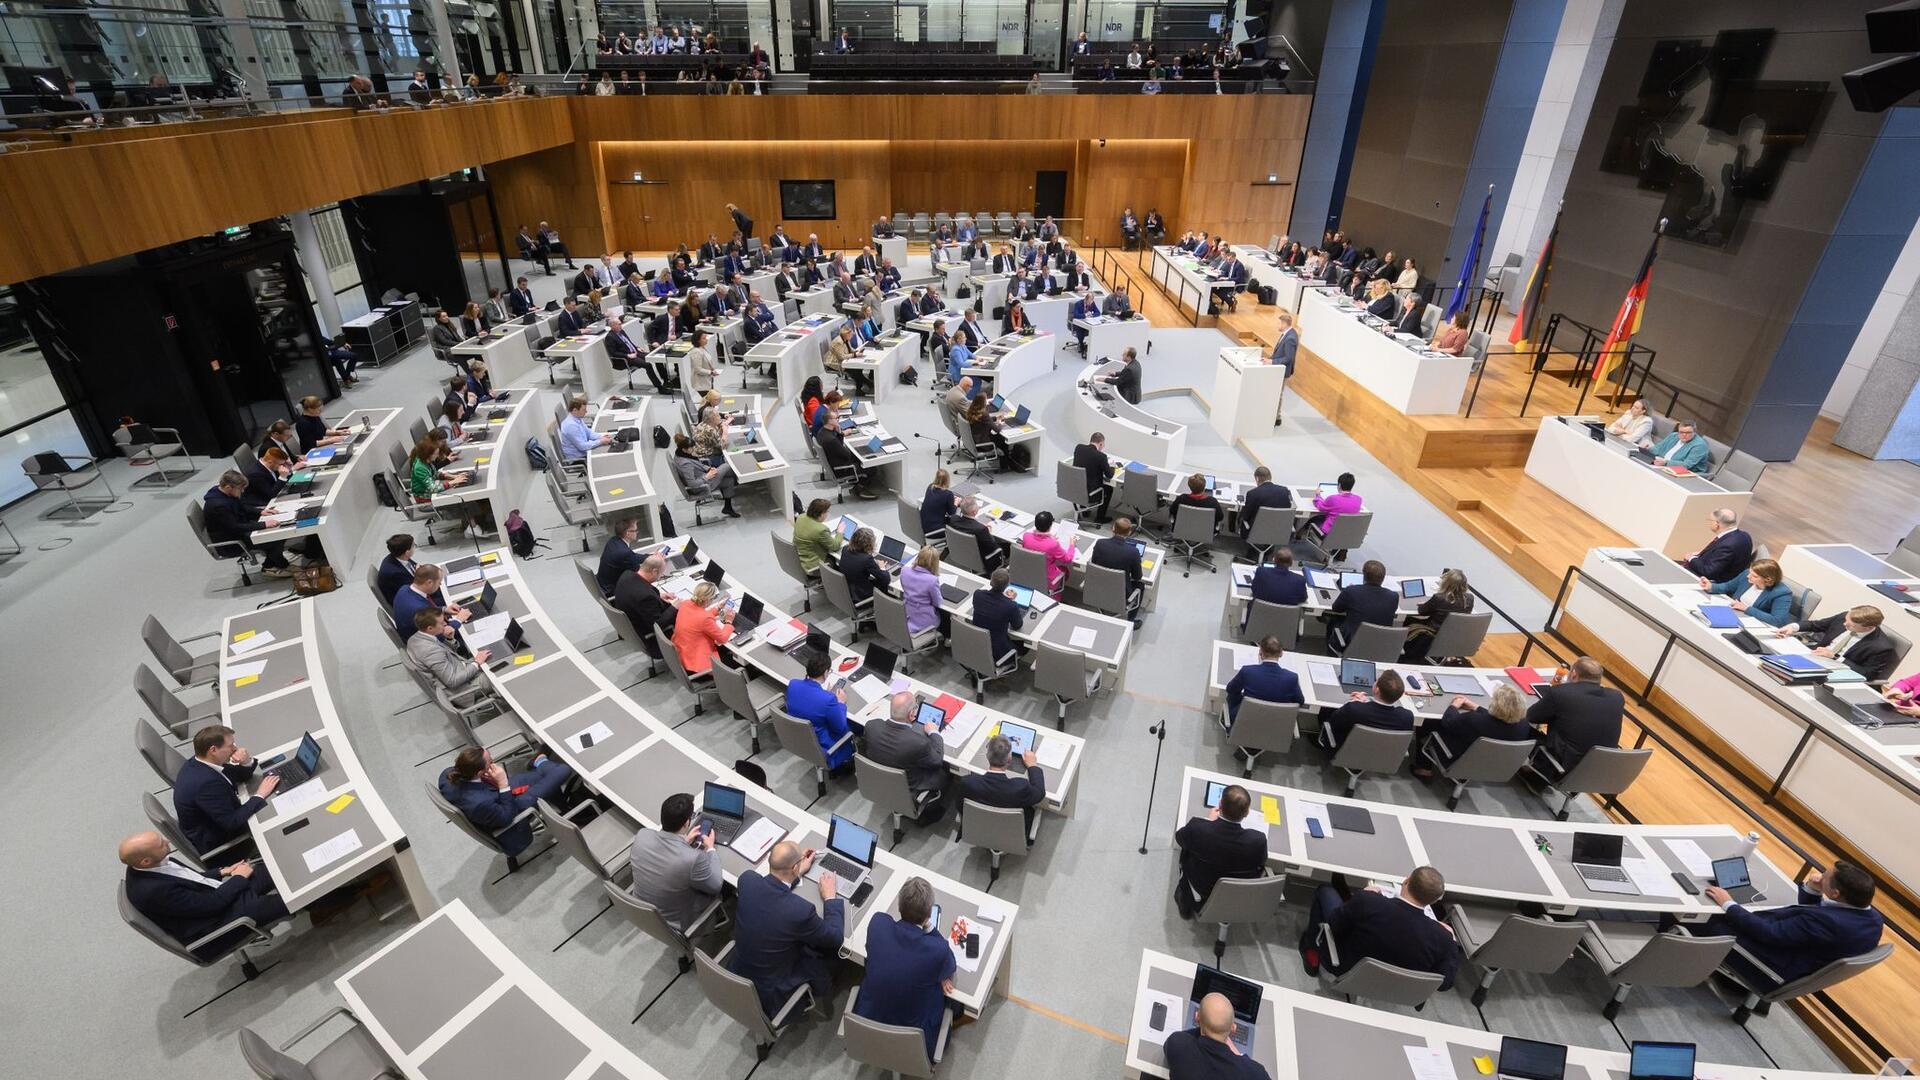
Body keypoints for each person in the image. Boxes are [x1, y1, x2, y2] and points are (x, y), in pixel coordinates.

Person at [1704, 861, 1884, 992]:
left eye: (1825, 877)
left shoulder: (1829, 923)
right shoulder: (1874, 920)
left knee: (1707, 919)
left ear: (1835, 893)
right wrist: (1814, 890)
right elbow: (1816, 925)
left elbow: (1769, 933)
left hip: (1767, 967)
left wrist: (1729, 904)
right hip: (1793, 956)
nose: (1820, 877)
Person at [118, 830, 289, 960]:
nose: (168, 841)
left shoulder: (149, 863)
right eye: (162, 843)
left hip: (214, 900)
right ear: (145, 861)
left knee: (271, 868)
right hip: (216, 925)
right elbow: (211, 905)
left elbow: (189, 879)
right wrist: (239, 877)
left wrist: (224, 871)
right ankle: (314, 907)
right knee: (287, 901)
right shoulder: (153, 891)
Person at [730, 839, 844, 1015]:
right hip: (772, 992)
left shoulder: (747, 880)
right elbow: (835, 937)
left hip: (738, 974)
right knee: (831, 953)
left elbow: (771, 891)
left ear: (769, 858)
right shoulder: (800, 911)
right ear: (794, 867)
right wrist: (830, 898)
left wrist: (796, 873)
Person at [1298, 866, 1459, 989]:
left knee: (1326, 892)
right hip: (1395, 988)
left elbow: (1335, 925)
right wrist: (1451, 940)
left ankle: (1311, 951)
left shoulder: (1369, 902)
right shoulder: (1443, 939)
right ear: (1435, 900)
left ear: (1406, 880)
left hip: (1345, 967)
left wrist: (1361, 898)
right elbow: (1444, 984)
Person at [854, 876, 956, 1060]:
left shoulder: (878, 923)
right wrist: (929, 927)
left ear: (899, 906)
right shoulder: (937, 950)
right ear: (927, 915)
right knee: (952, 1004)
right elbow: (950, 963)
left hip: (868, 1027)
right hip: (917, 1044)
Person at [438, 746, 574, 858]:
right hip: (513, 810)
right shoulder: (479, 803)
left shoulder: (448, 774)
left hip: (493, 793)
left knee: (550, 776)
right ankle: (541, 762)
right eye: (490, 762)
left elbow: (481, 791)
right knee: (563, 770)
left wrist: (490, 781)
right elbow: (506, 817)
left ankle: (542, 765)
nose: (493, 763)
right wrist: (502, 783)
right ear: (479, 772)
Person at [173, 724, 277, 855]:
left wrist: (245, 762)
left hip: (219, 819)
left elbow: (239, 776)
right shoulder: (205, 784)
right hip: (224, 844)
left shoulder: (201, 762)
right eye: (231, 745)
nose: (235, 749)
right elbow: (231, 822)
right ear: (213, 750)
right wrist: (260, 795)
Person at [628, 792, 724, 933]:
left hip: (648, 911)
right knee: (724, 891)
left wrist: (683, 842)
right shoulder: (692, 858)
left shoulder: (642, 835)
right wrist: (710, 849)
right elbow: (716, 885)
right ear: (687, 822)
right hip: (677, 921)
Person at [1171, 782, 1268, 920]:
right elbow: (1261, 862)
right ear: (1246, 813)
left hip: (1202, 888)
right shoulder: (1258, 840)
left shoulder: (1198, 828)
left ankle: (1185, 899)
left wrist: (1208, 821)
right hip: (1237, 894)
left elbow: (1180, 838)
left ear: (1220, 805)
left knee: (1188, 849)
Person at [1527, 656, 1624, 777]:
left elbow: (1531, 716)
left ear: (1573, 674)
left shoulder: (1560, 693)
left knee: (1521, 726)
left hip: (1562, 768)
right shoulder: (1617, 697)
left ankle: (1534, 775)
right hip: (1596, 771)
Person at [1414, 683, 1533, 778]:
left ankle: (1424, 768)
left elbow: (1447, 721)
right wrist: (1475, 707)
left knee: (1430, 722)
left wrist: (1454, 706)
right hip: (1492, 765)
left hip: (1456, 759)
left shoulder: (1474, 720)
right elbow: (1498, 720)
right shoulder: (1524, 725)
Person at [866, 692, 950, 823]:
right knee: (944, 771)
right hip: (910, 786)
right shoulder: (918, 743)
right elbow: (937, 760)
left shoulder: (872, 726)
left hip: (879, 781)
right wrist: (934, 733)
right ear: (912, 714)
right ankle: (930, 811)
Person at [203, 470, 293, 577]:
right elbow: (235, 527)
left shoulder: (222, 492)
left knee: (277, 531)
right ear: (228, 487)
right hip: (232, 540)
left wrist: (261, 512)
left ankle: (275, 563)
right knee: (274, 537)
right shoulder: (218, 506)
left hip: (239, 528)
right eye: (240, 489)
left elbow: (243, 507)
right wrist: (264, 525)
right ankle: (272, 566)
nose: (242, 491)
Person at [1777, 604, 1898, 683]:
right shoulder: (1844, 617)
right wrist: (1793, 627)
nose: (1845, 625)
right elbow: (1816, 625)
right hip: (1814, 656)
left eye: (1851, 625)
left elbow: (1867, 673)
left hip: (1836, 672)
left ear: (1868, 628)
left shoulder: (1881, 647)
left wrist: (1835, 657)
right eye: (1846, 620)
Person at [1165, 992, 1272, 1079]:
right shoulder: (1256, 1073)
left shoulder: (1179, 1045)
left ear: (1197, 1017)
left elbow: (1183, 1039)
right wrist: (1239, 1056)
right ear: (1233, 1028)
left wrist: (1204, 1022)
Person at [787, 649, 854, 769]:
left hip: (799, 739)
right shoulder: (828, 700)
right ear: (825, 672)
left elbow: (808, 701)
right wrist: (841, 703)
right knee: (855, 725)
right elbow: (840, 728)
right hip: (825, 748)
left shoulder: (793, 684)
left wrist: (824, 694)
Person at [1321, 669, 1414, 751]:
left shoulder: (1354, 709)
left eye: (1376, 681)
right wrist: (1365, 703)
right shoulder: (1407, 717)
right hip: (1382, 756)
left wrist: (1353, 703)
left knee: (1325, 711)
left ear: (1377, 689)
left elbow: (1333, 721)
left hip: (1347, 752)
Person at [1224, 636, 1305, 726]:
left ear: (1260, 652)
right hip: (1276, 724)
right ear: (1281, 653)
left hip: (1246, 721)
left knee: (1232, 697)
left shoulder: (1247, 671)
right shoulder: (1292, 678)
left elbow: (1230, 689)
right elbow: (1300, 701)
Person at [1401, 568, 1474, 662]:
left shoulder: (1439, 598)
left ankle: (1405, 651)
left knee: (1409, 619)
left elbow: (1422, 612)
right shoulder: (1469, 599)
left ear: (1446, 583)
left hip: (1433, 631)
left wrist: (1424, 604)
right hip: (1454, 633)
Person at [407, 608, 488, 691]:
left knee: (489, 655)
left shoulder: (415, 638)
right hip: (465, 687)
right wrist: (477, 663)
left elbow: (444, 654)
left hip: (460, 667)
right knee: (496, 673)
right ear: (430, 628)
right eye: (442, 623)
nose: (445, 624)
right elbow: (453, 681)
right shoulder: (430, 651)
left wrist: (449, 639)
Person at [1327, 559, 1397, 653]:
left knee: (1333, 621)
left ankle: (1331, 655)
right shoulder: (1393, 596)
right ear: (1383, 578)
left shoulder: (1351, 591)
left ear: (1364, 575)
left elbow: (1336, 609)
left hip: (1351, 643)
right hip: (1379, 646)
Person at [1703, 557, 1794, 627]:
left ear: (1768, 580)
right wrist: (1711, 586)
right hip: (1731, 614)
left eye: (1754, 576)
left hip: (1751, 624)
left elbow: (1778, 621)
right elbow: (1728, 586)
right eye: (1750, 573)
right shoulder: (1747, 574)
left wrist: (1746, 609)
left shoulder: (1782, 593)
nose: (1748, 576)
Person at [671, 581, 735, 677]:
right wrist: (729, 622)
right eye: (714, 597)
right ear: (709, 599)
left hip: (683, 656)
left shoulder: (685, 604)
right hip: (699, 667)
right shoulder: (705, 618)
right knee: (736, 660)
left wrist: (718, 608)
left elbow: (699, 616)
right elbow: (722, 638)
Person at [1091, 517, 1147, 622]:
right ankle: (1131, 621)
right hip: (1121, 594)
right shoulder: (1133, 552)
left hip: (1098, 588)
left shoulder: (1100, 543)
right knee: (1140, 585)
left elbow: (1094, 563)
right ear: (1129, 533)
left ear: (1113, 528)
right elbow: (1137, 577)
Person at [1681, 508, 1754, 583]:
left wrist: (1691, 558)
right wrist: (1704, 554)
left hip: (1713, 581)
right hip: (1726, 572)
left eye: (1710, 520)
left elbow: (1708, 572)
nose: (1709, 522)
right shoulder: (1745, 535)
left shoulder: (1727, 545)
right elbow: (1724, 556)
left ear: (1716, 524)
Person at [970, 569, 1025, 667]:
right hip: (998, 651)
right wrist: (1011, 604)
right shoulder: (1010, 606)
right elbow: (1017, 625)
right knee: (1024, 645)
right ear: (1008, 585)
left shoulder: (978, 594)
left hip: (977, 643)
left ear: (991, 581)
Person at [1020, 511, 1074, 598]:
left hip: (1029, 573)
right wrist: (1072, 545)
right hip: (1047, 580)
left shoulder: (1026, 536)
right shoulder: (1053, 544)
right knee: (1065, 570)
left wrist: (1050, 538)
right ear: (1050, 525)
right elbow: (1068, 559)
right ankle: (1056, 596)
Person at [900, 545, 947, 640]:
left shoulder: (904, 571)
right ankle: (947, 637)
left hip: (908, 614)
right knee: (947, 614)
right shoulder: (932, 580)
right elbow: (937, 603)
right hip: (925, 621)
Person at [947, 496, 1004, 573]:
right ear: (974, 512)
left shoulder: (953, 519)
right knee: (1006, 546)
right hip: (982, 560)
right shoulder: (981, 530)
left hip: (961, 554)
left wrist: (981, 526)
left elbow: (968, 525)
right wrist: (988, 533)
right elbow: (993, 547)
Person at [1302, 472, 1362, 543]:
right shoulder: (1358, 499)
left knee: (1312, 519)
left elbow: (1320, 507)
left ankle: (1298, 539)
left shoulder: (1333, 499)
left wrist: (1318, 495)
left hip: (1327, 535)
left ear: (1339, 485)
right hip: (1346, 534)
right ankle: (1342, 551)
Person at [840, 527, 891, 607]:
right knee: (883, 582)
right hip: (861, 597)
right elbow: (885, 579)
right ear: (869, 544)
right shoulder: (866, 559)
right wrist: (882, 567)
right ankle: (883, 606)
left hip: (849, 591)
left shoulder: (845, 549)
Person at [1237, 466, 1292, 539]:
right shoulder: (1284, 491)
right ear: (1270, 477)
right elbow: (1288, 507)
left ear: (1257, 478)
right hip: (1278, 532)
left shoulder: (1252, 494)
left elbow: (1246, 517)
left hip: (1255, 533)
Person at [595, 517, 645, 596]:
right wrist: (654, 560)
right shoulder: (625, 553)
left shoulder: (613, 541)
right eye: (635, 530)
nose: (637, 532)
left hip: (602, 585)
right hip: (612, 591)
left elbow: (633, 557)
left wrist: (648, 557)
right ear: (628, 533)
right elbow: (640, 574)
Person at [793, 498, 842, 574]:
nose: (827, 514)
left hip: (798, 560)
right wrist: (839, 533)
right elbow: (835, 546)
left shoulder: (800, 517)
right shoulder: (821, 530)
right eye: (827, 511)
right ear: (822, 514)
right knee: (842, 564)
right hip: (813, 567)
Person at [1072, 433, 1113, 520]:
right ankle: (1100, 518)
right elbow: (1109, 475)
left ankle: (1085, 511)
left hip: (1075, 488)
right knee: (1109, 489)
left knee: (1085, 480)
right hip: (1090, 493)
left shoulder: (1079, 448)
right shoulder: (1101, 457)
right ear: (1101, 444)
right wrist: (1112, 467)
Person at [559, 395, 610, 462]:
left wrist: (601, 436)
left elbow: (588, 433)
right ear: (575, 410)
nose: (586, 412)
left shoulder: (577, 418)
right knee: (605, 459)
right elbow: (582, 446)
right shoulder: (570, 426)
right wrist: (600, 441)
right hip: (578, 459)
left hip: (584, 452)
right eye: (583, 410)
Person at [374, 534, 418, 608]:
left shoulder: (399, 555)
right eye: (414, 545)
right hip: (409, 603)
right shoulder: (394, 573)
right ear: (407, 552)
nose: (415, 546)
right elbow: (414, 590)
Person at [919, 468, 957, 541]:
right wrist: (956, 503)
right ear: (947, 480)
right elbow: (952, 513)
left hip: (922, 526)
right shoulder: (948, 494)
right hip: (935, 531)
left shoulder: (930, 487)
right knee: (956, 523)